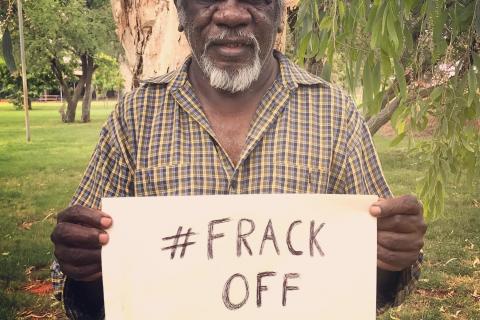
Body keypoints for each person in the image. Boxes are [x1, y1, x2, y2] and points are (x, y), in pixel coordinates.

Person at [50, 0, 427, 319]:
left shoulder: (334, 112)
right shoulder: (135, 116)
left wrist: (392, 259)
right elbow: (83, 288)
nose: (231, 14)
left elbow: (376, 282)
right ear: (179, 11)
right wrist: (83, 265)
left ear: (280, 11)